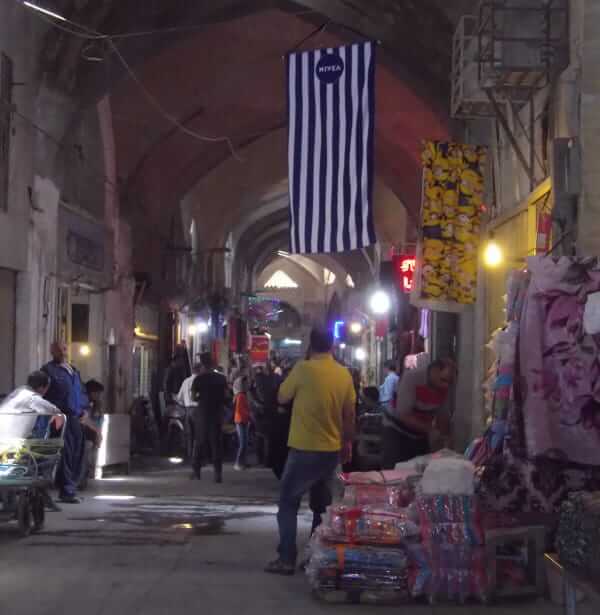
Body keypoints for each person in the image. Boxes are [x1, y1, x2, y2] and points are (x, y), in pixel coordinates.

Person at [265, 327, 356, 576]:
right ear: (332, 345)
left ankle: (286, 558)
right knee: (323, 506)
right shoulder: (343, 374)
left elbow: (282, 397)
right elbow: (349, 414)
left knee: (287, 502)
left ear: (310, 345)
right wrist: (348, 444)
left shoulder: (303, 370)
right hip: (332, 450)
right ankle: (317, 557)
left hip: (304, 448)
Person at [382, 358, 456, 470]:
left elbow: (443, 416)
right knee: (395, 469)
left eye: (449, 382)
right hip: (396, 428)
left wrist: (445, 440)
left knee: (422, 468)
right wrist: (431, 430)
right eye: (443, 380)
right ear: (434, 371)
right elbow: (404, 415)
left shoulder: (444, 387)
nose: (446, 386)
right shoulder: (412, 377)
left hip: (420, 431)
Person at [42, 342, 88, 503]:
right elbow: (43, 394)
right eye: (59, 349)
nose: (62, 351)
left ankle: (72, 487)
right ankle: (67, 490)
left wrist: (84, 410)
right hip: (61, 419)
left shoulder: (73, 371)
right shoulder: (48, 371)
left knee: (77, 453)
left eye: (64, 349)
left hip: (76, 419)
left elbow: (81, 392)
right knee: (65, 454)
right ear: (52, 351)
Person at [190, 352, 227, 482]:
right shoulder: (221, 379)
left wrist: (202, 397)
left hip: (202, 413)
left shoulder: (198, 379)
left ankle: (196, 472)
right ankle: (218, 474)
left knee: (199, 442)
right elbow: (226, 396)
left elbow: (193, 397)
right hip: (216, 413)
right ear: (212, 363)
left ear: (202, 364)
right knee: (216, 443)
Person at [176, 363, 201, 465]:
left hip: (188, 410)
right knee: (198, 435)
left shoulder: (185, 381)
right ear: (199, 370)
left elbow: (179, 398)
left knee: (189, 435)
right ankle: (197, 458)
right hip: (197, 410)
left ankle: (190, 457)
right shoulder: (200, 381)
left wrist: (185, 405)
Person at [233, 376, 250, 470]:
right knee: (243, 443)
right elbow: (240, 410)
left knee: (245, 443)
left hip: (243, 421)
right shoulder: (240, 396)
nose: (247, 384)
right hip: (240, 421)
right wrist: (249, 414)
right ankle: (238, 463)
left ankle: (243, 462)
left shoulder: (243, 395)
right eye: (245, 383)